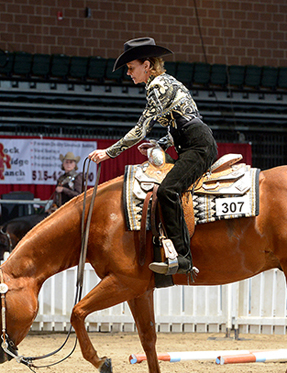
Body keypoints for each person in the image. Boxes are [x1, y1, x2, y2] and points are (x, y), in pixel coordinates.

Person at [88, 37, 218, 276]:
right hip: (194, 142)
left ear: (146, 66)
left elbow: (140, 128)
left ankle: (183, 257)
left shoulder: (157, 85)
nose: (129, 73)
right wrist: (157, 144)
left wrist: (109, 153)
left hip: (197, 146)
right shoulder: (167, 83)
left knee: (168, 191)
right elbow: (179, 125)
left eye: (131, 68)